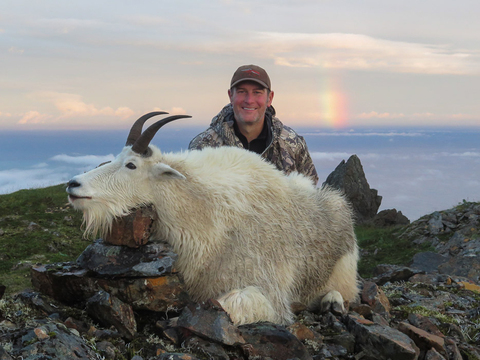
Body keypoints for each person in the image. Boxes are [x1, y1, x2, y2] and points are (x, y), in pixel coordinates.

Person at [189, 64, 319, 185]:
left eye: (257, 92)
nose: (249, 100)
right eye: (241, 92)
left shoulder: (293, 144)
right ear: (230, 96)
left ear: (270, 98)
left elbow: (309, 193)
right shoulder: (203, 146)